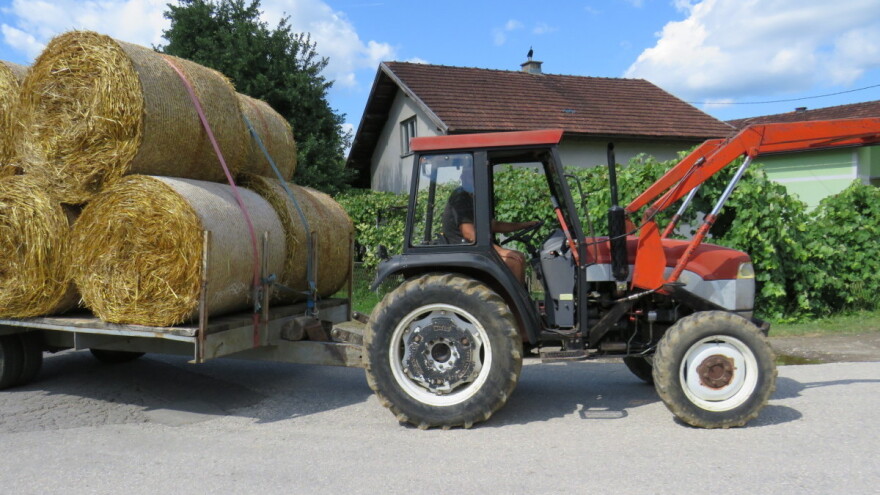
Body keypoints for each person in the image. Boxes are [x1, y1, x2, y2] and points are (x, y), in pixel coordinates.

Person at [440, 163, 539, 283]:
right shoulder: (461, 197)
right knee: (515, 261)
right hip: (464, 250)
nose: (472, 178)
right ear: (463, 177)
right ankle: (511, 296)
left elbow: (494, 225)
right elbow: (469, 234)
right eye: (469, 175)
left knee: (519, 256)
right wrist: (499, 250)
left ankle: (520, 294)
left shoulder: (473, 198)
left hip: (471, 249)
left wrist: (524, 225)